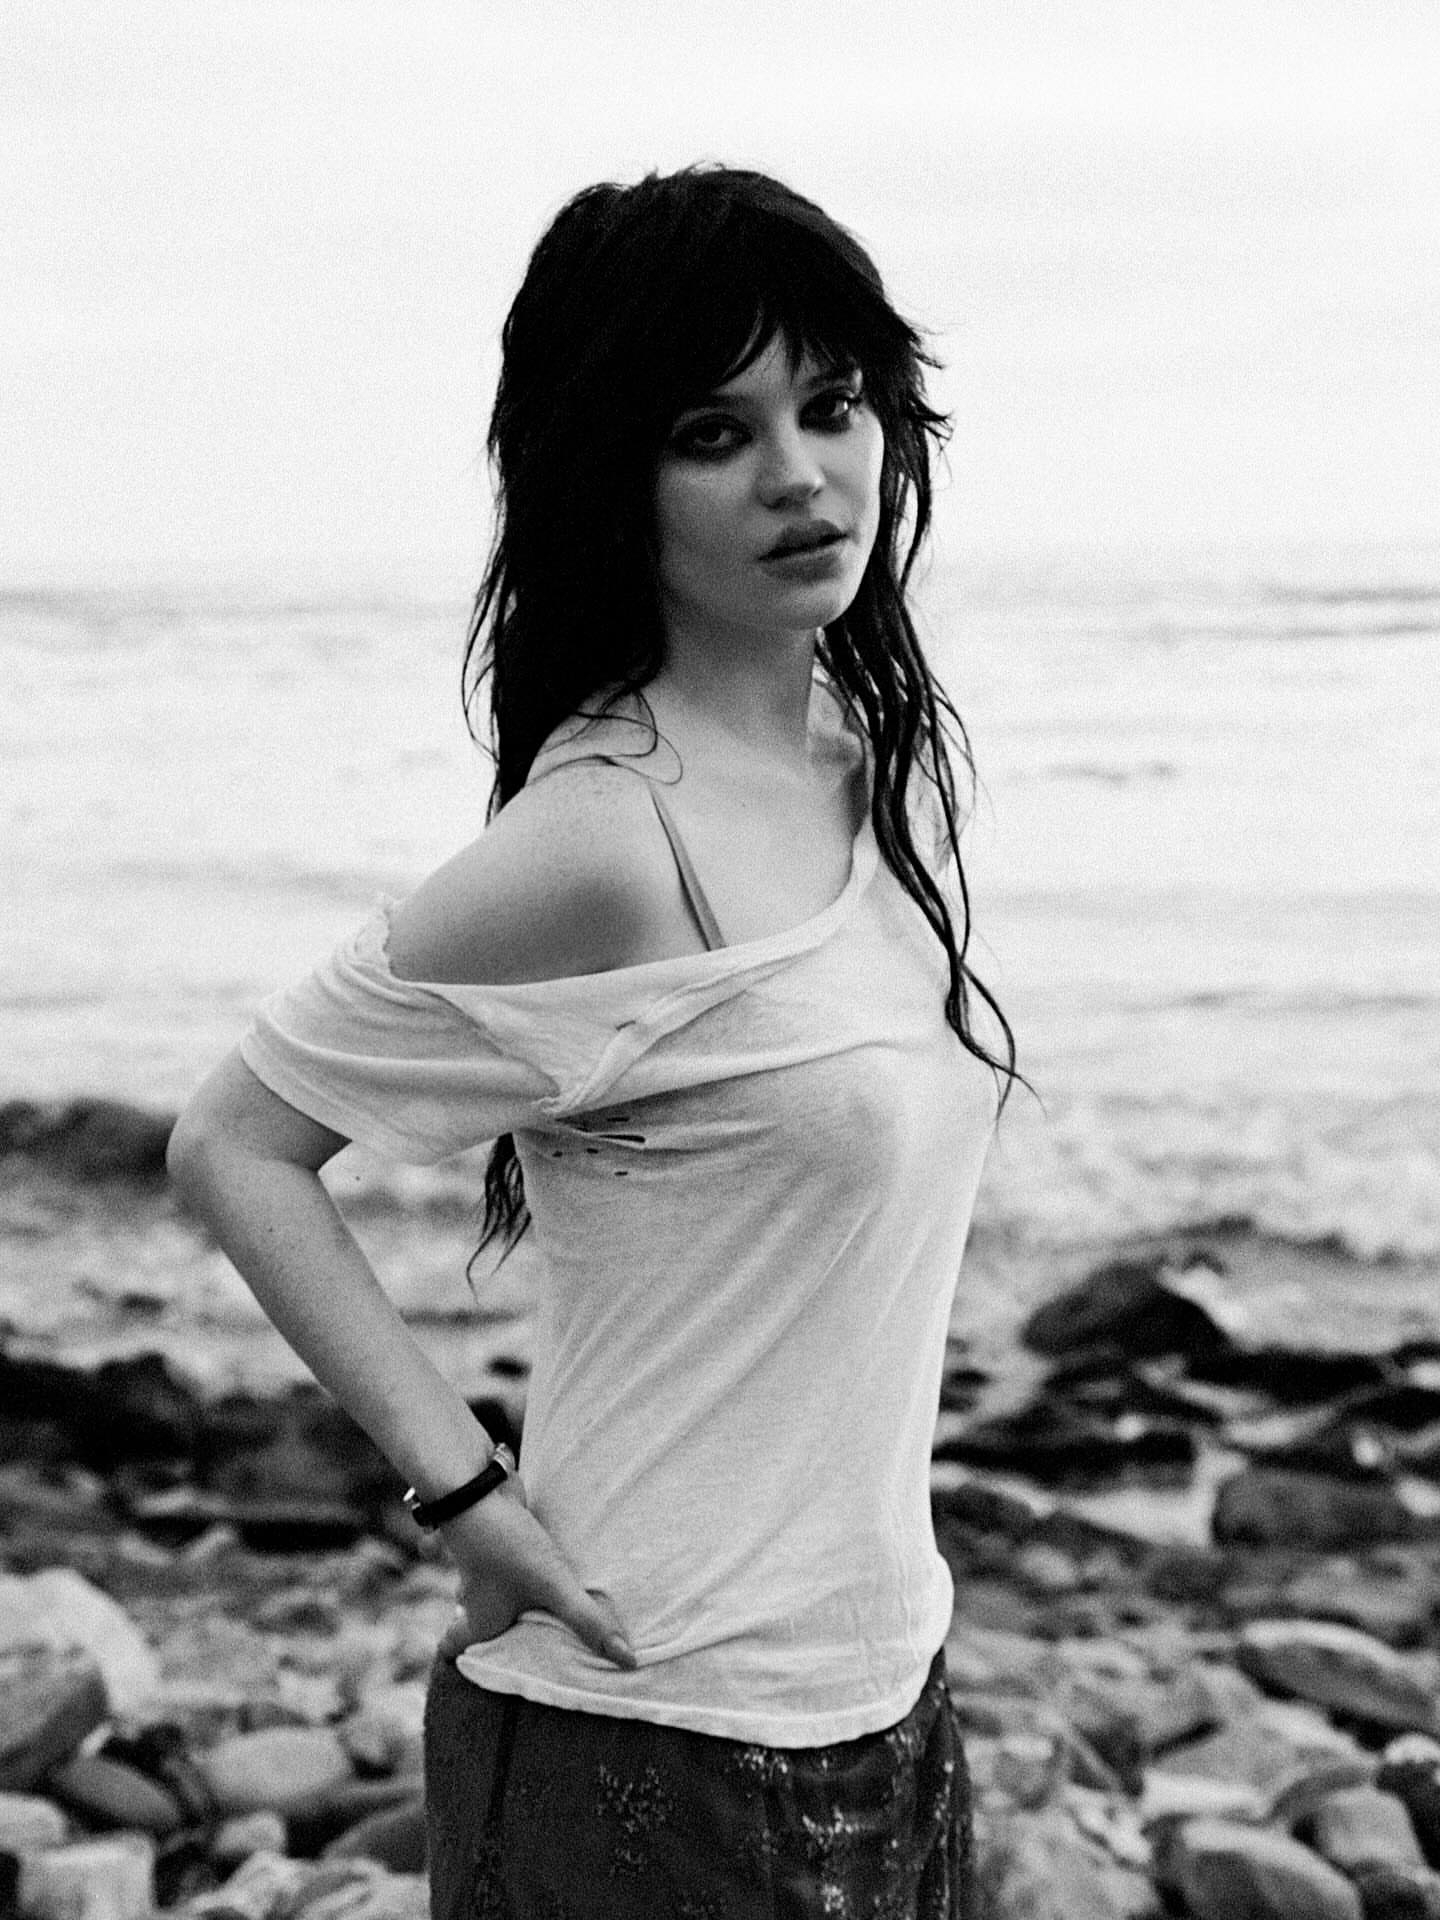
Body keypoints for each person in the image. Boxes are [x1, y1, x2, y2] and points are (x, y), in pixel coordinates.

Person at [168, 164, 1016, 1919]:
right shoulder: (606, 840)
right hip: (642, 1744)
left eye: (832, 404)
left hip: (888, 1702)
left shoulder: (871, 766)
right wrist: (467, 1497)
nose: (801, 474)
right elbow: (237, 1145)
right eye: (715, 433)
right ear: (610, 477)